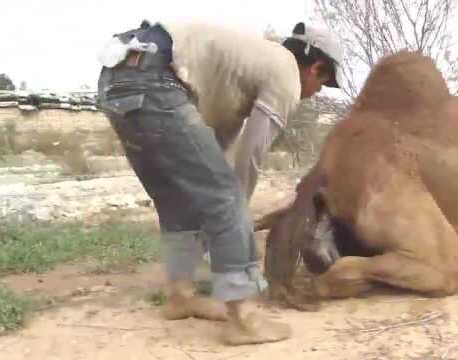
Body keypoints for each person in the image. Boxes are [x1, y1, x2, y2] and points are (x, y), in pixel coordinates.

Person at [95, 19, 344, 345]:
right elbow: (249, 156)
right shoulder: (285, 72)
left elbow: (213, 153)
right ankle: (243, 318)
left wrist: (222, 225)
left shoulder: (239, 71)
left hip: (117, 77)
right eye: (322, 85)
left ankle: (179, 296)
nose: (315, 94)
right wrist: (234, 223)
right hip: (156, 78)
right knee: (227, 194)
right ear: (318, 68)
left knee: (176, 199)